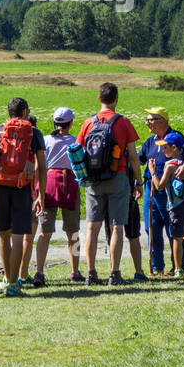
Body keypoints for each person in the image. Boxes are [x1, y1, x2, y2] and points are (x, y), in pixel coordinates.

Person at [77, 83, 140, 286]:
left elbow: (77, 152)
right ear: (116, 99)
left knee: (92, 228)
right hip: (118, 177)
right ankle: (114, 273)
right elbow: (132, 155)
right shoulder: (123, 122)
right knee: (116, 227)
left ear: (99, 99)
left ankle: (91, 273)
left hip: (93, 181)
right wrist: (139, 181)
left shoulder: (88, 123)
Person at [0, 99, 47, 297]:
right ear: (25, 112)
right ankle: (14, 283)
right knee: (19, 236)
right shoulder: (34, 132)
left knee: (3, 234)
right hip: (23, 188)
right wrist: (40, 195)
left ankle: (6, 278)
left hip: (1, 186)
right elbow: (42, 166)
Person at [32, 107, 84, 284]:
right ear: (70, 123)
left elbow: (39, 166)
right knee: (73, 231)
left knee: (45, 231)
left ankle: (39, 271)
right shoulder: (77, 141)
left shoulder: (45, 139)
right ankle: (75, 271)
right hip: (70, 183)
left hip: (48, 182)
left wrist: (36, 188)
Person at [138, 107, 184, 276]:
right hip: (150, 190)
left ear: (162, 120)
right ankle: (156, 266)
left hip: (171, 192)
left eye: (151, 119)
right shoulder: (149, 141)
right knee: (151, 227)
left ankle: (178, 266)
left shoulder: (175, 136)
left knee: (173, 228)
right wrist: (135, 183)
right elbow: (138, 161)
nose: (147, 122)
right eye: (147, 119)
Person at [151, 140, 184, 276]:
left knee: (176, 238)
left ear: (174, 148)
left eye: (165, 147)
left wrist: (152, 172)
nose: (163, 151)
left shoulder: (170, 166)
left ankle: (178, 269)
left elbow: (160, 186)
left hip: (175, 206)